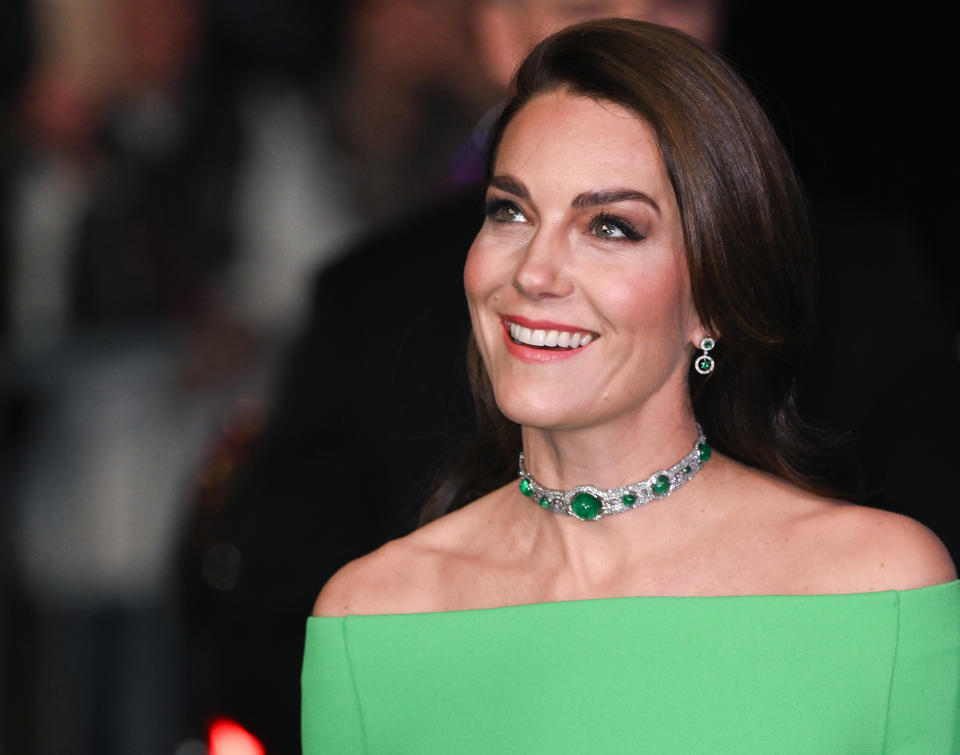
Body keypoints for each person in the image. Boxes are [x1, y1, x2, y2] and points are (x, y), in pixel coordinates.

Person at [303, 20, 959, 753]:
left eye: (609, 226)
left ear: (712, 297)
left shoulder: (879, 591)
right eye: (510, 211)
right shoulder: (372, 618)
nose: (534, 272)